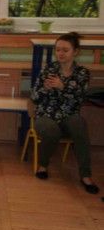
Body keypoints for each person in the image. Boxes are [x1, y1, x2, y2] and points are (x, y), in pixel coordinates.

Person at [32, 32, 99, 194]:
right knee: (51, 131)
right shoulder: (49, 69)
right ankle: (43, 165)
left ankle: (85, 175)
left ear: (75, 52)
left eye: (65, 50)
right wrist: (44, 89)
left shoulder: (82, 73)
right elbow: (34, 97)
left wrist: (63, 87)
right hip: (46, 114)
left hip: (69, 114)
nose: (60, 53)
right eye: (58, 50)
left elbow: (80, 99)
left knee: (79, 125)